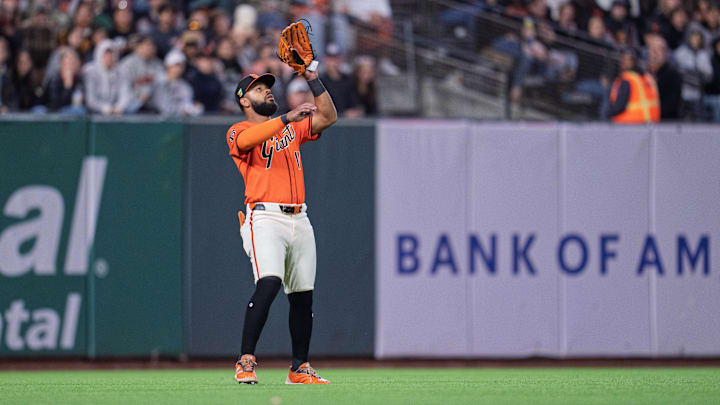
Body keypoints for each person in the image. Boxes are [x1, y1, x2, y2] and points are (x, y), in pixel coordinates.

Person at [226, 68, 337, 384]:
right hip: (265, 216)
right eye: (259, 89)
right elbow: (247, 140)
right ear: (244, 100)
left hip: (299, 217)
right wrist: (288, 117)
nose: (267, 91)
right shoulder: (238, 129)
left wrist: (312, 79)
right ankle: (245, 360)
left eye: (267, 87)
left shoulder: (291, 129)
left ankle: (299, 367)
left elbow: (329, 117)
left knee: (303, 295)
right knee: (270, 282)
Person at [608, 48, 660, 123]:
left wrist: (607, 114)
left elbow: (619, 106)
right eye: (622, 58)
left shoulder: (628, 79)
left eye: (627, 59)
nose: (623, 62)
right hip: (651, 123)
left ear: (635, 61)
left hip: (631, 124)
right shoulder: (647, 77)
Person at [117, 35, 163, 113]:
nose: (150, 47)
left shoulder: (157, 64)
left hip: (153, 105)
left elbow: (162, 84)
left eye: (152, 45)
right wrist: (139, 98)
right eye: (147, 44)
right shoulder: (127, 63)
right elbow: (123, 88)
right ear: (138, 47)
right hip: (131, 106)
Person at [151, 49, 201, 116]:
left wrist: (193, 108)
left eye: (182, 65)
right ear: (169, 65)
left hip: (180, 123)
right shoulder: (159, 82)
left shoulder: (185, 86)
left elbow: (188, 104)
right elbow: (163, 107)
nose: (179, 68)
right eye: (176, 65)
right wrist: (186, 109)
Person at [646, 33, 682, 120]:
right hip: (643, 120)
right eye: (652, 49)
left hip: (666, 124)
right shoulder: (642, 74)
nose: (655, 53)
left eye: (659, 49)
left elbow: (672, 104)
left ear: (665, 53)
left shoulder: (673, 75)